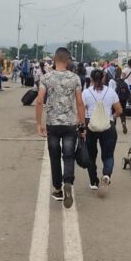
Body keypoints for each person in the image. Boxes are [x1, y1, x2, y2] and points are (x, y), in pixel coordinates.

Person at [36, 47, 86, 209]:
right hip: (70, 124)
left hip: (53, 124)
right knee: (69, 155)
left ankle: (57, 188)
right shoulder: (75, 78)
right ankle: (67, 182)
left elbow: (39, 101)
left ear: (55, 59)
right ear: (68, 60)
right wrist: (82, 123)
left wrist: (39, 124)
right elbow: (79, 102)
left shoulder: (46, 78)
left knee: (55, 156)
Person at [83, 69, 123, 196]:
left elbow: (81, 111)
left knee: (91, 154)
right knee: (108, 155)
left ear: (91, 79)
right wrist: (111, 117)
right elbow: (119, 110)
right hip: (108, 126)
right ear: (104, 78)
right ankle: (106, 175)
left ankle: (94, 182)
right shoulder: (111, 92)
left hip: (91, 126)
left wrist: (83, 127)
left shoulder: (86, 93)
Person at [111, 67, 131, 134]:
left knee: (115, 113)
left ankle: (113, 127)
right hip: (123, 99)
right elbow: (128, 91)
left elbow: (110, 91)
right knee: (122, 113)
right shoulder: (125, 81)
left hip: (115, 100)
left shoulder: (112, 81)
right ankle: (123, 123)